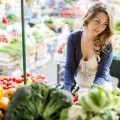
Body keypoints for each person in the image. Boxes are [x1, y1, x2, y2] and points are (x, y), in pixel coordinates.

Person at [64, 2, 114, 94]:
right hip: (80, 87)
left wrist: (92, 93)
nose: (100, 27)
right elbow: (69, 67)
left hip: (100, 88)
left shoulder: (107, 45)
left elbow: (101, 75)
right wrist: (67, 89)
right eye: (97, 21)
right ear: (89, 17)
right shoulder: (73, 38)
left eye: (105, 24)